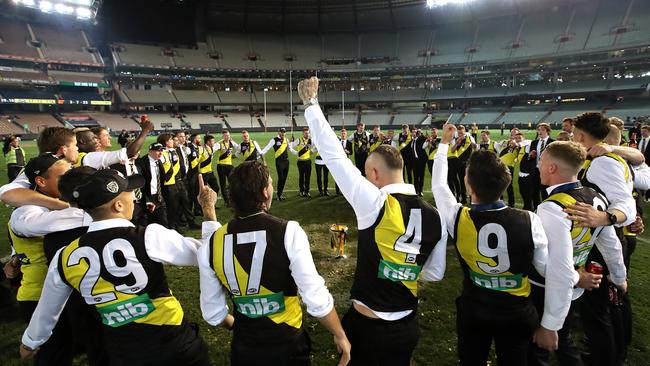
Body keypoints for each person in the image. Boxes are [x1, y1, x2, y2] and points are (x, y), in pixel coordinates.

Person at [300, 77, 447, 365]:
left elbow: (335, 157)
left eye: (367, 174)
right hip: (407, 326)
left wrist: (311, 105)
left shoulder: (375, 202)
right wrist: (402, 267)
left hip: (368, 325)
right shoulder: (436, 216)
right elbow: (435, 273)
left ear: (374, 174)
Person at [20, 169, 219, 366]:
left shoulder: (64, 256)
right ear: (118, 205)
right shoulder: (148, 236)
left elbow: (47, 309)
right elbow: (209, 253)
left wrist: (30, 341)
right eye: (130, 192)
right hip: (173, 342)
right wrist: (208, 210)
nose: (134, 197)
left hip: (123, 351)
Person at [199, 161, 351, 366]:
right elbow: (316, 297)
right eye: (270, 183)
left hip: (244, 350)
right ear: (264, 193)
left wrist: (241, 327)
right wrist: (339, 333)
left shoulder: (211, 243)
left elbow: (213, 313)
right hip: (288, 347)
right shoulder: (288, 232)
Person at [431, 123, 548, 366]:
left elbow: (439, 186)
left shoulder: (458, 218)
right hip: (517, 311)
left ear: (470, 186)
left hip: (475, 310)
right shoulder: (530, 220)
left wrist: (443, 143)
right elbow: (546, 270)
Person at [529, 141, 627, 366]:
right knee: (564, 341)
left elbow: (558, 269)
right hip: (575, 285)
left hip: (548, 289)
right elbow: (610, 243)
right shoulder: (596, 197)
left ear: (552, 168)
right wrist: (619, 277)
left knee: (539, 350)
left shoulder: (552, 208)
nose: (539, 167)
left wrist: (549, 324)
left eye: (542, 163)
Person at [564, 112, 636, 365]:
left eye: (574, 134)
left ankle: (605, 357)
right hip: (608, 239)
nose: (572, 137)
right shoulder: (611, 159)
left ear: (581, 135)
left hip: (605, 242)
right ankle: (615, 350)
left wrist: (606, 218)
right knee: (608, 302)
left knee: (598, 309)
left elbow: (627, 205)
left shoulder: (603, 164)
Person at [8, 154, 91, 366]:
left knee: (69, 345)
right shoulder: (26, 212)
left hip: (59, 291)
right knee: (53, 355)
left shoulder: (49, 203)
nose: (68, 181)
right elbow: (33, 226)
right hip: (38, 295)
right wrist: (95, 211)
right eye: (63, 176)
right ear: (41, 182)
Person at [0, 119, 153, 210]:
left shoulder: (63, 165)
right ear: (63, 149)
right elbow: (6, 193)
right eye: (75, 145)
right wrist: (64, 206)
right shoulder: (38, 170)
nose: (77, 149)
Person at [42, 166, 109, 366]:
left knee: (97, 352)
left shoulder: (50, 234)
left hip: (78, 311)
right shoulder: (105, 228)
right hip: (112, 307)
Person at [136, 143, 168, 227]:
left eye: (161, 150)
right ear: (150, 151)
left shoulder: (158, 161)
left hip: (159, 196)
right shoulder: (142, 163)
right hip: (148, 198)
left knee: (163, 222)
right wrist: (147, 200)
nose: (161, 153)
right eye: (158, 151)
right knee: (152, 223)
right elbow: (141, 184)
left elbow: (161, 178)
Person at [261, 128, 296, 201]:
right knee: (281, 178)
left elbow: (290, 149)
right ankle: (278, 195)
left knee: (284, 179)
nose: (283, 133)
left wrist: (298, 153)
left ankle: (280, 193)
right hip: (279, 162)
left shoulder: (286, 140)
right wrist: (260, 153)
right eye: (281, 132)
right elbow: (267, 148)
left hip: (286, 162)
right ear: (279, 132)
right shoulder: (274, 140)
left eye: (284, 132)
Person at [158, 134, 182, 231]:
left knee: (175, 206)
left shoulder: (168, 152)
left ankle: (174, 225)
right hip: (167, 185)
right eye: (171, 140)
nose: (172, 141)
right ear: (166, 142)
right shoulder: (162, 154)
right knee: (171, 207)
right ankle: (171, 227)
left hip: (172, 183)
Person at [175, 131, 199, 229]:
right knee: (181, 200)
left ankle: (186, 219)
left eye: (184, 136)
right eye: (180, 136)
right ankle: (186, 220)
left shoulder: (184, 148)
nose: (183, 138)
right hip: (178, 179)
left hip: (185, 178)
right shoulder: (174, 150)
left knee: (186, 199)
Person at [527, 123, 555, 205]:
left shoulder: (553, 142)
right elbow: (529, 158)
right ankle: (537, 209)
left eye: (542, 130)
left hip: (546, 171)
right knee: (534, 193)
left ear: (548, 131)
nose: (540, 132)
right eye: (539, 130)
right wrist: (530, 156)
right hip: (535, 171)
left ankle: (546, 208)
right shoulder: (534, 142)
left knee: (545, 192)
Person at [451, 125, 475, 204]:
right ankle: (463, 198)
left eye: (461, 132)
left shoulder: (470, 137)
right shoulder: (455, 139)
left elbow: (476, 147)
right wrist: (457, 143)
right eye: (459, 132)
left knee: (470, 181)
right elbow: (452, 151)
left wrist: (472, 143)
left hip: (468, 164)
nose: (460, 133)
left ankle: (472, 199)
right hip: (459, 163)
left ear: (464, 131)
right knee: (462, 181)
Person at [216, 129, 239, 207]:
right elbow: (212, 149)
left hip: (229, 166)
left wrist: (235, 155)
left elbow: (239, 148)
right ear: (223, 136)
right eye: (226, 135)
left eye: (228, 135)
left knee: (232, 183)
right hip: (221, 166)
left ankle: (232, 198)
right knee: (223, 184)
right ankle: (227, 202)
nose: (227, 137)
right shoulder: (219, 144)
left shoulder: (232, 142)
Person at [291, 127, 313, 198]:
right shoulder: (299, 140)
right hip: (301, 162)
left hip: (308, 161)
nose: (307, 134)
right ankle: (301, 191)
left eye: (308, 133)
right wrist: (296, 153)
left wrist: (312, 151)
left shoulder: (310, 140)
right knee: (301, 177)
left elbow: (316, 146)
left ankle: (307, 191)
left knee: (307, 177)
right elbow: (290, 146)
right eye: (306, 133)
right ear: (303, 133)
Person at [198, 134, 221, 200]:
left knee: (216, 188)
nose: (214, 142)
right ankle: (204, 205)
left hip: (210, 172)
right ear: (208, 142)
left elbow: (218, 144)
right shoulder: (201, 149)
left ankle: (212, 203)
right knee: (204, 190)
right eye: (213, 141)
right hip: (203, 174)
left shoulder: (212, 148)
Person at [410, 128, 428, 196]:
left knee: (421, 176)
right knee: (415, 176)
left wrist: (421, 133)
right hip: (415, 161)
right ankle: (416, 190)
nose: (414, 133)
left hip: (421, 160)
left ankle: (420, 191)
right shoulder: (413, 141)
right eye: (413, 132)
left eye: (415, 132)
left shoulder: (421, 138)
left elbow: (425, 138)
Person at [335, 128, 353, 196]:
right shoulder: (336, 143)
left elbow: (351, 153)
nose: (343, 135)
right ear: (340, 134)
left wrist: (347, 151)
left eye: (344, 134)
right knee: (337, 176)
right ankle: (337, 191)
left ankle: (345, 191)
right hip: (338, 161)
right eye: (342, 134)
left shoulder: (349, 143)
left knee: (345, 176)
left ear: (346, 135)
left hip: (346, 161)